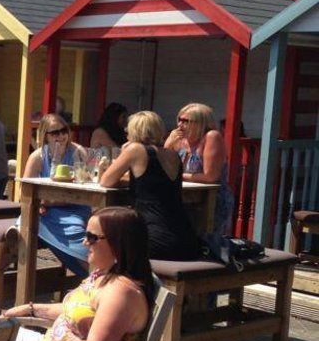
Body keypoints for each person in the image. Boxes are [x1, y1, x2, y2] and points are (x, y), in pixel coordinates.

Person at [2, 207, 151, 341]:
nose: (84, 242)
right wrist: (30, 309)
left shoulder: (120, 293)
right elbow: (73, 309)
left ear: (118, 244)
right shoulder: (103, 275)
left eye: (92, 237)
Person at [100, 111, 200, 260]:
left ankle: (103, 281)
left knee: (103, 241)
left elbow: (105, 181)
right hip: (187, 239)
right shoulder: (172, 154)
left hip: (155, 239)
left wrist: (122, 154)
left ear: (135, 130)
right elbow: (152, 182)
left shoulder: (135, 150)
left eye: (128, 129)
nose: (126, 133)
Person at [22, 113, 89, 275]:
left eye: (64, 130)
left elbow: (85, 186)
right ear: (45, 136)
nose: (61, 136)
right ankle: (89, 276)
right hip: (47, 212)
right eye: (55, 133)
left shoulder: (77, 152)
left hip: (74, 209)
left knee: (79, 236)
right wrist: (40, 205)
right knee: (33, 222)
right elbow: (24, 192)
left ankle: (95, 275)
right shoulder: (38, 156)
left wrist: (47, 202)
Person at [165, 102, 235, 236]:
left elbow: (210, 177)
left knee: (207, 242)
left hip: (210, 200)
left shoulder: (211, 137)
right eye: (179, 120)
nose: (180, 125)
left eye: (186, 121)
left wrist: (178, 175)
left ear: (202, 123)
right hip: (184, 197)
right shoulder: (179, 140)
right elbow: (164, 169)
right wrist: (167, 146)